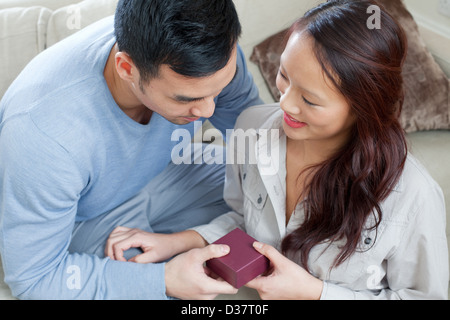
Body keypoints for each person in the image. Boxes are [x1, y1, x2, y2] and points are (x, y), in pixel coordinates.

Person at [106, 0, 449, 300]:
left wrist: (315, 294)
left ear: (362, 108)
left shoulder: (413, 197)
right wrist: (176, 242)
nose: (285, 104)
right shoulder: (251, 127)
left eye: (310, 100)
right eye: (284, 76)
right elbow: (245, 220)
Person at [0, 0, 262, 300]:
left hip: (166, 172)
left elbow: (253, 136)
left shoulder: (211, 51)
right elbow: (34, 279)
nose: (208, 110)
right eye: (186, 98)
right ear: (126, 69)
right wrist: (163, 279)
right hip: (84, 217)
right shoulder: (44, 135)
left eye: (219, 88)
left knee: (274, 205)